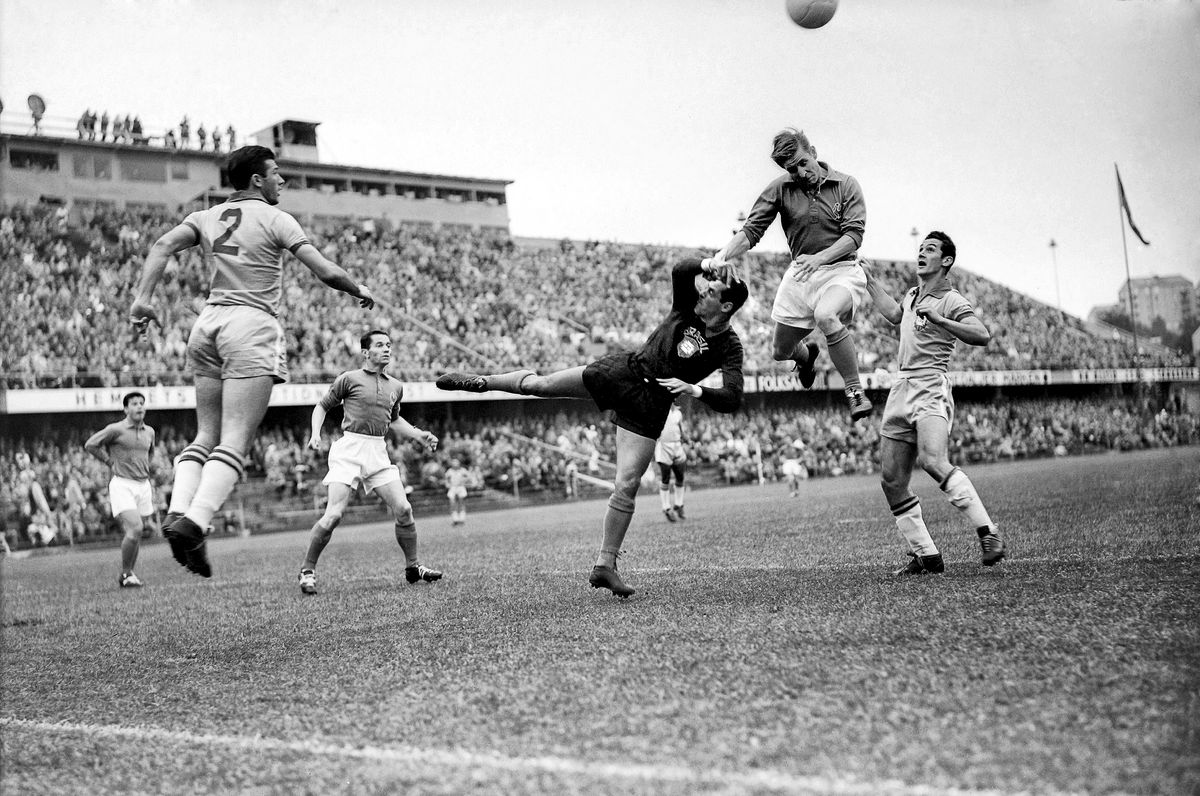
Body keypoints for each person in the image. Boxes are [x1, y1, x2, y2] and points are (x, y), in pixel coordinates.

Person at [129, 145, 375, 578]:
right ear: (257, 179)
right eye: (276, 172)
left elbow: (162, 245)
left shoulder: (206, 216)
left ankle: (178, 511)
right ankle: (196, 522)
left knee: (205, 433)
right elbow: (325, 271)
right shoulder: (276, 218)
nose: (283, 180)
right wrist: (358, 289)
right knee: (236, 439)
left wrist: (142, 300)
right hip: (250, 324)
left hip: (206, 324)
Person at [437, 256, 748, 597]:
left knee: (626, 484)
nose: (703, 292)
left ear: (727, 305)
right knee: (540, 386)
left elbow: (732, 397)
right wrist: (709, 264)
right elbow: (681, 270)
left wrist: (695, 389)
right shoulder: (687, 306)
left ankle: (604, 566)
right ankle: (484, 381)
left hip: (651, 405)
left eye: (712, 291)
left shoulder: (729, 346)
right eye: (705, 287)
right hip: (625, 373)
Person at [861, 231, 1006, 574]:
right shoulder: (913, 294)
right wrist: (869, 282)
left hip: (930, 386)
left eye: (930, 249)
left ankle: (989, 533)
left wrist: (941, 320)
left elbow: (982, 335)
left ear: (946, 261)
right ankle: (926, 555)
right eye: (921, 248)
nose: (921, 254)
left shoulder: (951, 299)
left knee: (932, 460)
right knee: (892, 480)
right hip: (901, 387)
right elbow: (896, 315)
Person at [710, 127, 873, 422]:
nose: (800, 172)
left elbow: (854, 236)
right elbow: (751, 231)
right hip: (801, 273)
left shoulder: (846, 184)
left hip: (842, 270)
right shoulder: (780, 188)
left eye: (802, 163)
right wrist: (721, 256)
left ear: (813, 152)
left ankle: (855, 391)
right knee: (780, 351)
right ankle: (806, 357)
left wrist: (821, 258)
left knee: (826, 315)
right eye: (791, 169)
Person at [297, 330, 442, 595]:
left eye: (388, 345)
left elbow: (394, 419)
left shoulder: (396, 386)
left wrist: (419, 435)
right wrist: (315, 433)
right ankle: (307, 571)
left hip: (377, 451)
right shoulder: (348, 379)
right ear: (366, 352)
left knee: (404, 509)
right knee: (334, 515)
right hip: (349, 449)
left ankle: (413, 567)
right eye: (379, 345)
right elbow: (322, 406)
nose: (386, 349)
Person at [84, 391, 158, 588]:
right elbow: (91, 444)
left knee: (138, 532)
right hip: (123, 484)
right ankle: (125, 573)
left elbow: (150, 452)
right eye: (134, 403)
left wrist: (146, 468)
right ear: (126, 408)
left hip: (143, 485)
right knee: (135, 528)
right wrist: (109, 461)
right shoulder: (116, 429)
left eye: (142, 403)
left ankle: (129, 574)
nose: (139, 407)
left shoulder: (149, 432)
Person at [654, 401, 687, 521]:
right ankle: (666, 507)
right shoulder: (660, 410)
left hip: (677, 446)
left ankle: (679, 505)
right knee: (666, 477)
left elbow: (680, 429)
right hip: (663, 446)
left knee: (680, 476)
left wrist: (686, 438)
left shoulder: (678, 413)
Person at [444, 458, 470, 526]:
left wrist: (464, 481)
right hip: (453, 487)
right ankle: (455, 519)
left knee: (461, 503)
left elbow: (468, 477)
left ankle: (462, 519)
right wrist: (448, 484)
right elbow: (446, 479)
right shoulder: (449, 471)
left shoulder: (462, 470)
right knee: (452, 503)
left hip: (460, 487)